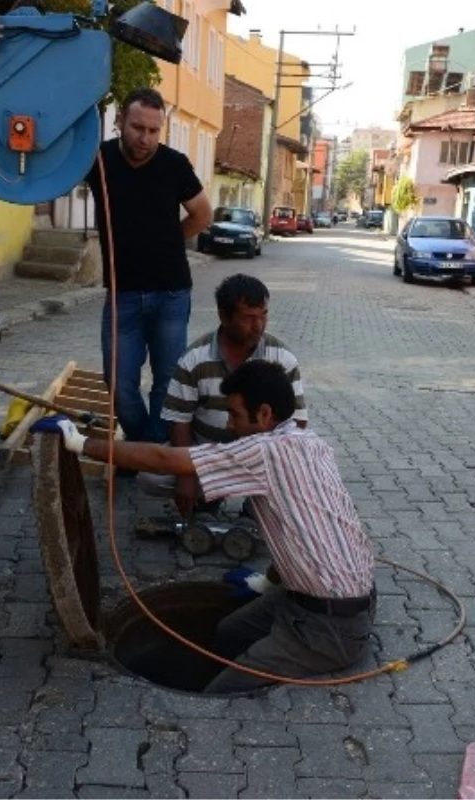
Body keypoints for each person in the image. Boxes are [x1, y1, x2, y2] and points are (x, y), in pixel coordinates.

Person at [40, 360, 376, 694]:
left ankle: (222, 685)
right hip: (317, 599)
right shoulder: (311, 443)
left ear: (263, 414)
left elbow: (164, 459)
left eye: (235, 415)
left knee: (227, 688)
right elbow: (301, 531)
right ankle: (219, 664)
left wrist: (82, 444)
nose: (229, 425)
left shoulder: (265, 451)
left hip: (332, 625)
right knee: (228, 633)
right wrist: (266, 581)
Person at [85, 87, 213, 445]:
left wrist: (170, 243)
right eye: (138, 128)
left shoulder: (175, 164)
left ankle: (151, 452)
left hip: (171, 291)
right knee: (118, 380)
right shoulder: (99, 159)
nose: (145, 138)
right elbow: (55, 172)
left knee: (167, 379)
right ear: (121, 122)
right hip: (122, 292)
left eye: (154, 131)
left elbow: (202, 214)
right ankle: (143, 446)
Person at [142, 274, 307, 518]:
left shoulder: (282, 358)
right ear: (223, 316)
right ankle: (209, 495)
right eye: (248, 317)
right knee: (151, 477)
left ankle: (255, 505)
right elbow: (179, 421)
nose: (259, 325)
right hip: (208, 456)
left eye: (263, 315)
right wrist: (186, 476)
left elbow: (298, 423)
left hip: (260, 460)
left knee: (300, 472)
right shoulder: (194, 358)